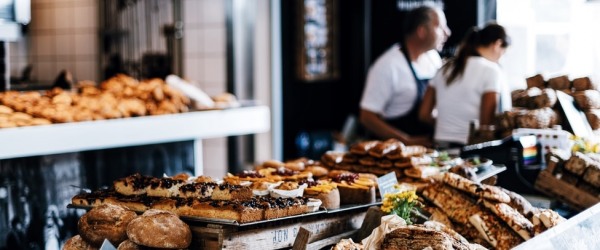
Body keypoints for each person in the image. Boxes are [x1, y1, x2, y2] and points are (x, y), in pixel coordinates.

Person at [359, 4, 451, 146]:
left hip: (428, 150)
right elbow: (367, 117)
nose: (447, 33)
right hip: (394, 153)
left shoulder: (433, 58)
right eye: (440, 27)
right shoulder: (388, 65)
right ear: (421, 31)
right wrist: (406, 141)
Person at [419, 22, 512, 148]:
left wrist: (448, 126)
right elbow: (486, 125)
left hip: (440, 146)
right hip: (470, 149)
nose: (501, 58)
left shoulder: (444, 68)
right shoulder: (492, 70)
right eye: (504, 53)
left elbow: (424, 114)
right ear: (498, 44)